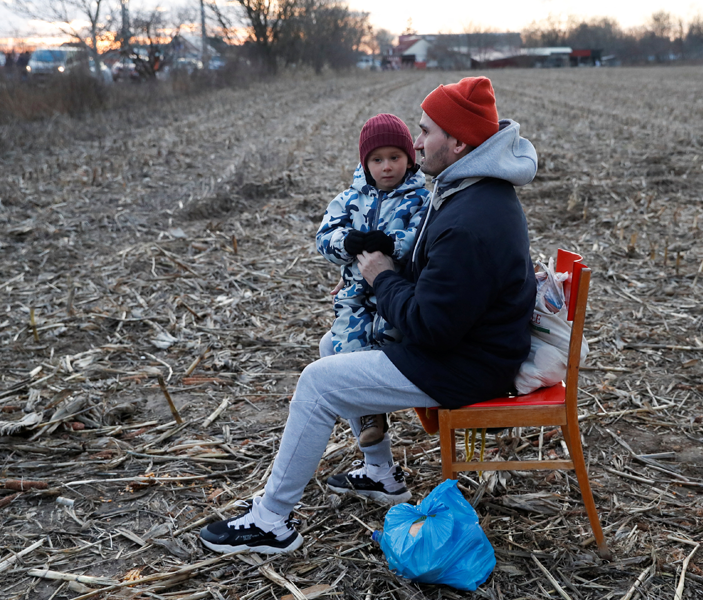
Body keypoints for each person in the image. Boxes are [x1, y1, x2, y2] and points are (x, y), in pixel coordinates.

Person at [199, 76, 539, 556]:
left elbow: (432, 326)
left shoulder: (472, 218)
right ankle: (381, 474)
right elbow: (441, 284)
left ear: (460, 141)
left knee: (319, 381)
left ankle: (271, 520)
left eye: (425, 131)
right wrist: (372, 278)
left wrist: (381, 276)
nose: (416, 143)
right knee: (329, 347)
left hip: (465, 365)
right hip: (470, 347)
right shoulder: (473, 192)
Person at [316, 113, 430, 448]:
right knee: (347, 346)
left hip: (395, 293)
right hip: (354, 294)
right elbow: (324, 236)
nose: (387, 167)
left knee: (386, 340)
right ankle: (369, 415)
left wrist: (392, 245)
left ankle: (380, 399)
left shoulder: (420, 200)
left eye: (395, 157)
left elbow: (419, 239)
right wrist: (344, 243)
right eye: (377, 160)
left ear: (409, 159)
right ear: (365, 164)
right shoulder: (349, 200)